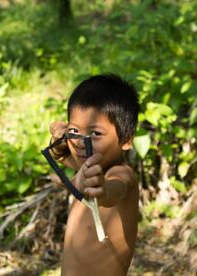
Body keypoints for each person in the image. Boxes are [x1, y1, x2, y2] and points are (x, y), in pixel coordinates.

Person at [48, 73, 140, 275]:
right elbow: (60, 153)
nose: (82, 142)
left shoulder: (121, 175)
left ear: (126, 139)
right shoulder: (85, 165)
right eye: (75, 131)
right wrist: (59, 136)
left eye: (95, 134)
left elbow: (114, 190)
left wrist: (102, 190)